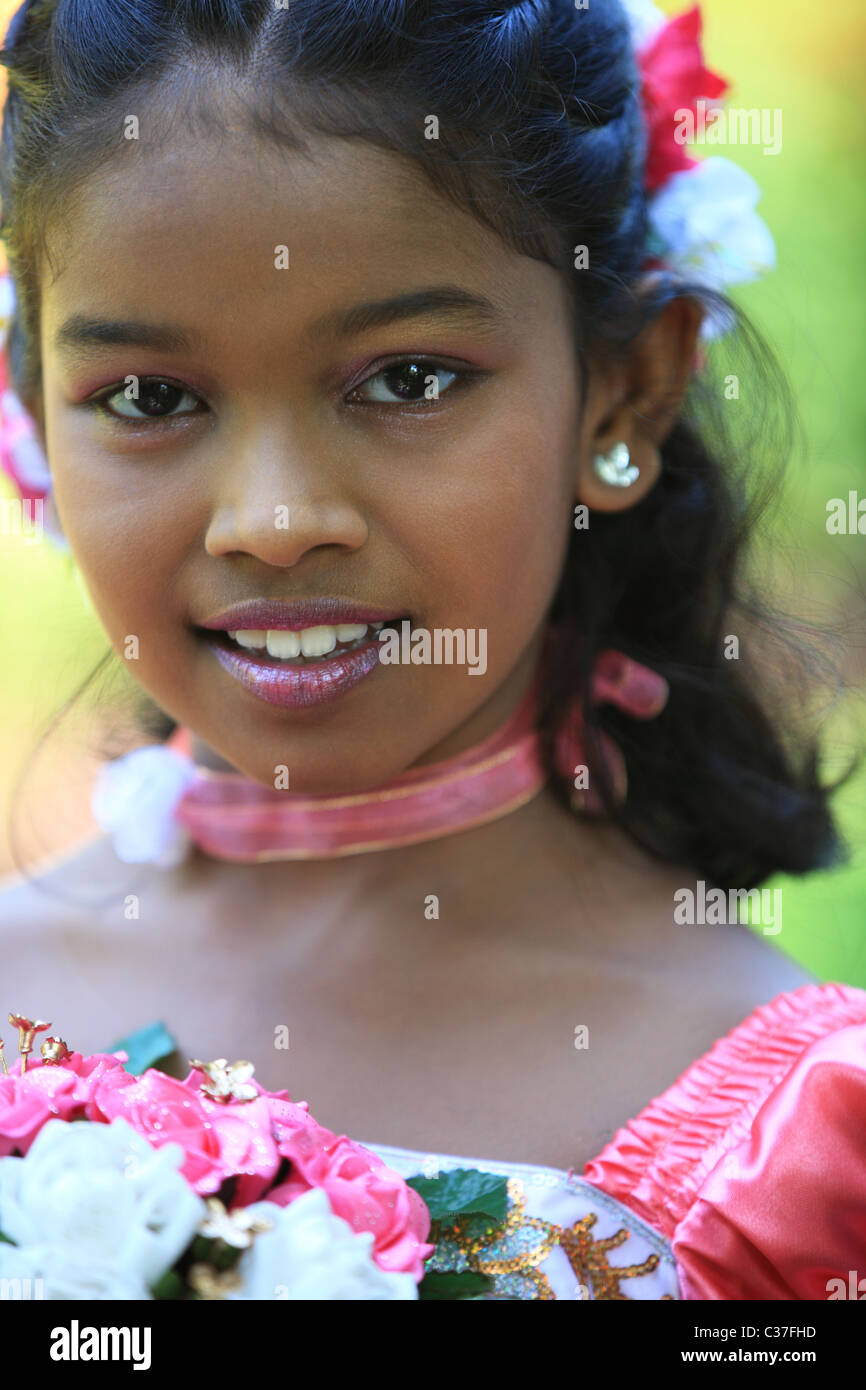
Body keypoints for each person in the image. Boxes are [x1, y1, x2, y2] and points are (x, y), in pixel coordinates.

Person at [0, 0, 863, 1301]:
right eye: (151, 397)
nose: (276, 522)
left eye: (405, 379)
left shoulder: (793, 1156)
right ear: (32, 418)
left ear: (622, 391)